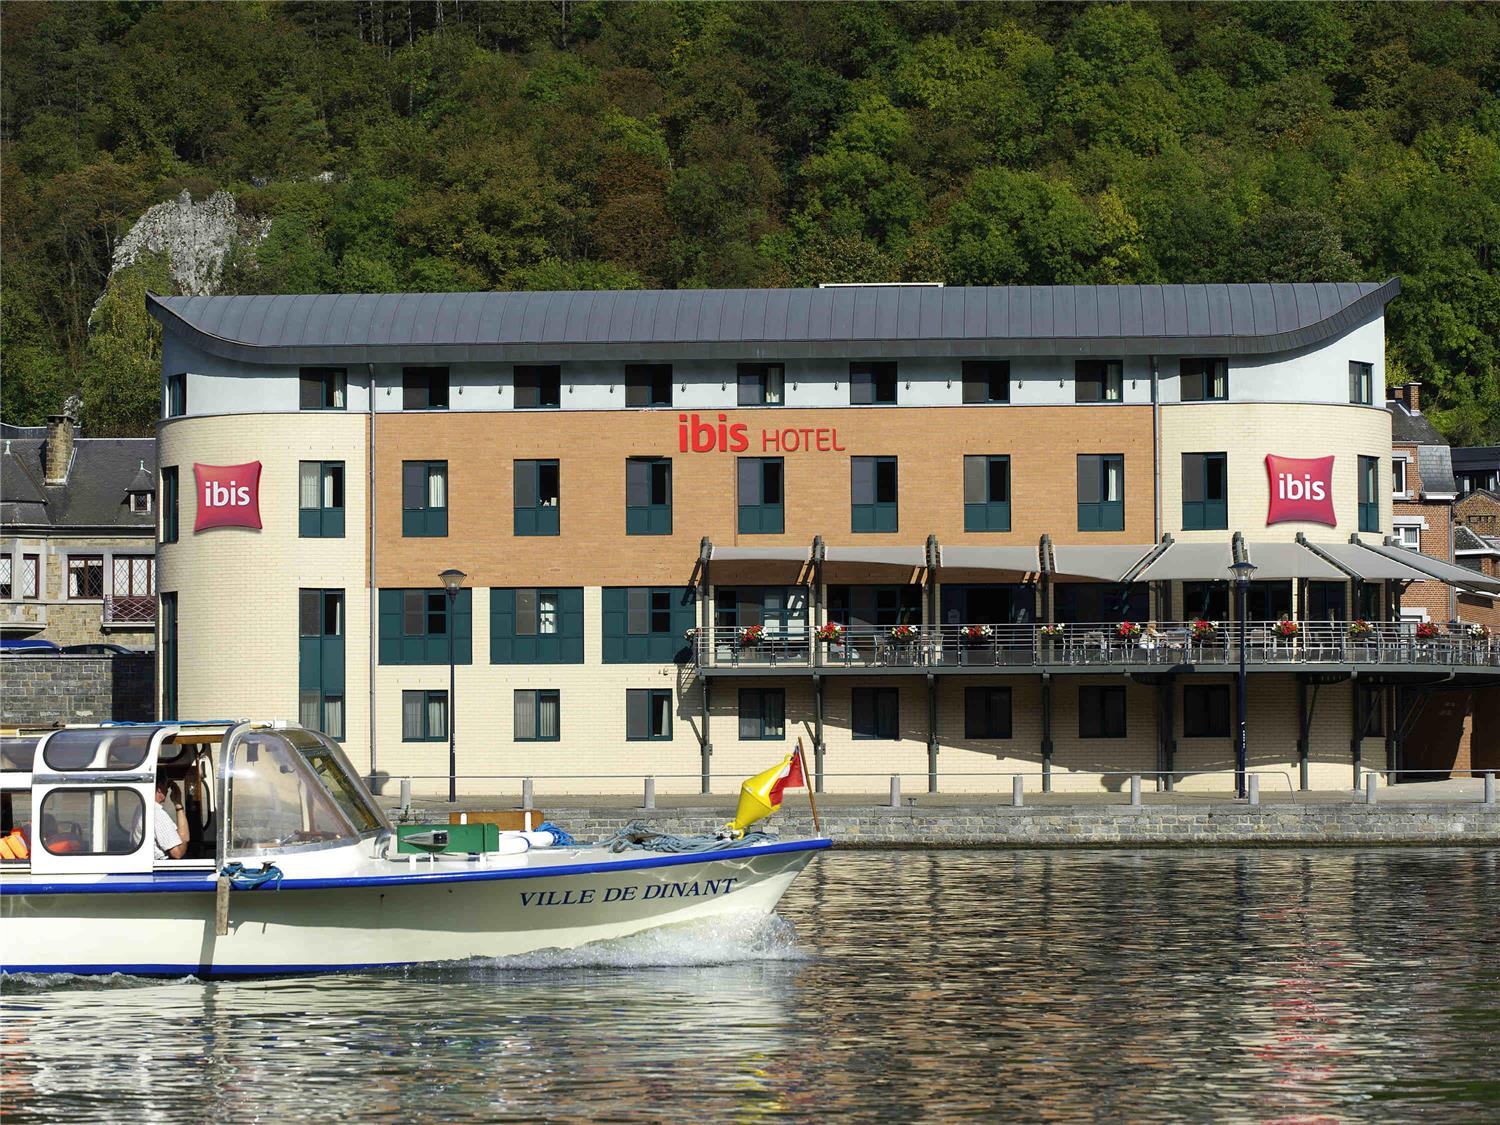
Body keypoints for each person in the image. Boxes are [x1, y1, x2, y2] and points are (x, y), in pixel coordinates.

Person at [154, 777, 187, 860]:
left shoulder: (142, 808)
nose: (168, 790)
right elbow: (177, 853)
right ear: (159, 789)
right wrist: (178, 804)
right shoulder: (157, 814)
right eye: (167, 785)